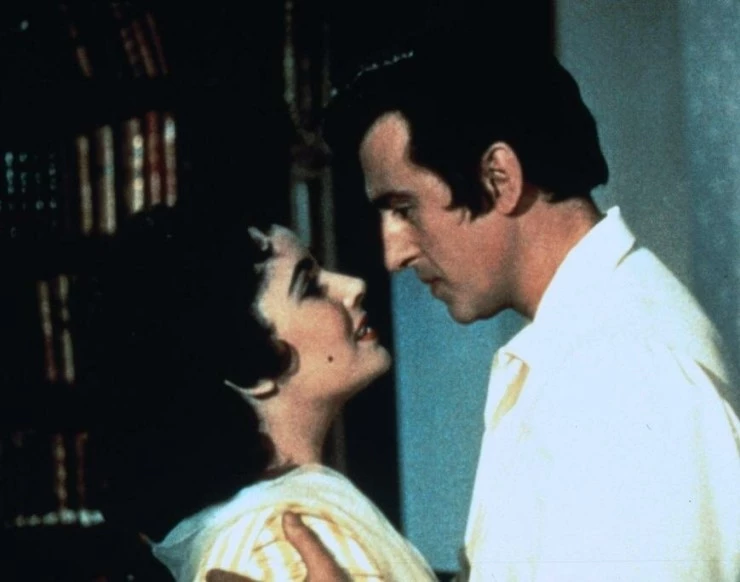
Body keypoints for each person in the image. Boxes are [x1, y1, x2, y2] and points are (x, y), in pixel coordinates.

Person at [252, 21, 740, 582]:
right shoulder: (585, 347)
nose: (393, 254)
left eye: (405, 209)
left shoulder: (621, 372)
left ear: (499, 178)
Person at [80, 205, 437, 582]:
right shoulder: (281, 546)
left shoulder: (280, 517)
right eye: (309, 287)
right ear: (247, 363)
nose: (353, 286)